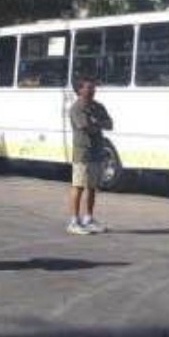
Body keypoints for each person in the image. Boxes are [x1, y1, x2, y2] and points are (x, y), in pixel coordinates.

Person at [67, 78, 113, 235]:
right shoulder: (76, 108)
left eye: (93, 88)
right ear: (80, 90)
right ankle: (74, 221)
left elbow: (110, 124)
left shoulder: (98, 107)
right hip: (83, 152)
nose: (93, 91)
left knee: (92, 187)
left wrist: (96, 122)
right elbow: (85, 127)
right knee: (78, 186)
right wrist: (97, 123)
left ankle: (88, 218)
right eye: (89, 88)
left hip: (97, 151)